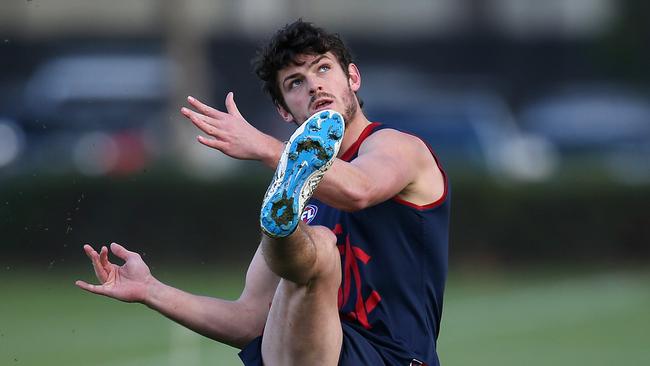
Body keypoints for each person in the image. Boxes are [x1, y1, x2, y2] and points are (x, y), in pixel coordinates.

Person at [76, 19, 449, 366]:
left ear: (352, 77)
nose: (314, 85)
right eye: (295, 83)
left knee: (318, 246)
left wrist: (267, 148)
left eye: (323, 68)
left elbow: (361, 190)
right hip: (323, 352)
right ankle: (281, 230)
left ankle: (283, 231)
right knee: (311, 245)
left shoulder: (397, 147)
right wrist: (150, 290)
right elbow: (250, 320)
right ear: (284, 111)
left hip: (395, 358)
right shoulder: (292, 183)